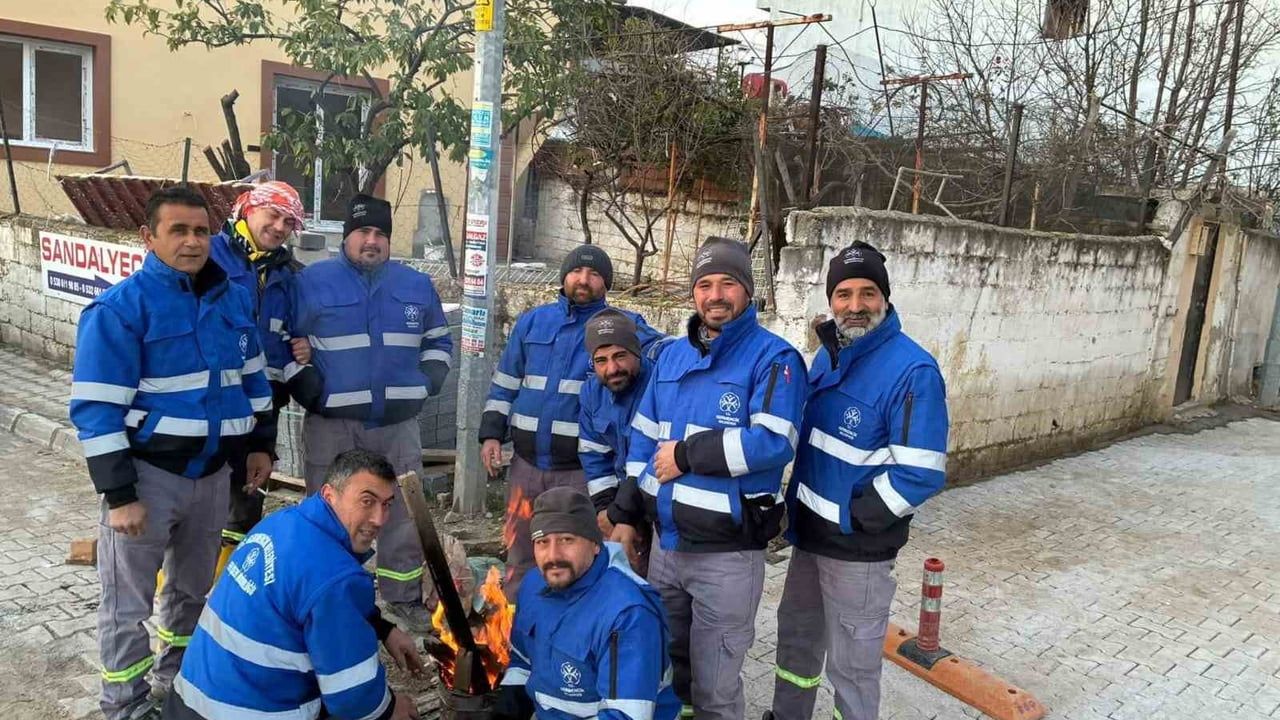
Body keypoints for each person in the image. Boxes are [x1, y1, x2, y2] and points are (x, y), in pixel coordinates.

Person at [69, 185, 277, 720]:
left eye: (200, 230)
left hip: (212, 480)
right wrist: (119, 496)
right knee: (126, 606)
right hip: (146, 481)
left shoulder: (233, 298)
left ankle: (177, 682)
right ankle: (125, 705)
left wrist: (259, 446)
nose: (192, 241)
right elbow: (95, 411)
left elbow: (252, 379)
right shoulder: (120, 310)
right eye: (178, 230)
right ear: (149, 237)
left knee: (191, 594)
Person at [607, 237, 808, 720]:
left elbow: (773, 442)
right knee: (669, 675)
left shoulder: (775, 360)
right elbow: (643, 439)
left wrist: (688, 454)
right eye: (704, 285)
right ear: (693, 294)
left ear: (747, 291)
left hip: (728, 556)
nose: (715, 295)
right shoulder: (672, 357)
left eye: (727, 284)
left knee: (717, 688)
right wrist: (630, 513)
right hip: (666, 550)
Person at [768, 241, 949, 720]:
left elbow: (921, 472)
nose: (854, 305)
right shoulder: (829, 355)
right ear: (831, 301)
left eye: (868, 293)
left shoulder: (912, 371)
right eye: (843, 293)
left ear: (885, 299)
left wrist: (856, 519)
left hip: (857, 552)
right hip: (808, 540)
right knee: (797, 644)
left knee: (853, 668)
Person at [290, 194, 453, 631]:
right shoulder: (313, 281)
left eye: (380, 233)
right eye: (362, 232)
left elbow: (439, 342)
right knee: (330, 511)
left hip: (397, 426)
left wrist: (426, 384)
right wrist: (308, 387)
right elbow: (284, 340)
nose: (371, 241)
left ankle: (402, 595)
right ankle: (333, 595)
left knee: (403, 510)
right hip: (333, 426)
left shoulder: (416, 284)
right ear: (346, 238)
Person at [165, 449, 424, 720]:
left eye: (387, 504)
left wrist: (384, 629)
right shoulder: (334, 575)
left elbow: (312, 598)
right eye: (367, 501)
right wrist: (391, 708)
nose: (379, 519)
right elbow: (353, 699)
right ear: (329, 495)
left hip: (188, 701)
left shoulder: (282, 523)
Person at [479, 244, 661, 599]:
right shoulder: (533, 322)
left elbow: (661, 354)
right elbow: (505, 382)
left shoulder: (617, 327)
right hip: (526, 466)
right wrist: (490, 434)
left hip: (580, 472)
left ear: (605, 284)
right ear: (563, 276)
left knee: (576, 555)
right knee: (522, 550)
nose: (584, 280)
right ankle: (519, 624)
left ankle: (573, 624)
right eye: (577, 271)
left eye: (594, 275)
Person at [495, 487, 680, 720]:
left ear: (595, 544)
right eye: (542, 542)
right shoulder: (533, 585)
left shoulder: (628, 613)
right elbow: (522, 662)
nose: (553, 556)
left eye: (566, 540)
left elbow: (624, 715)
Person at [208, 181, 309, 556]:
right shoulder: (208, 255)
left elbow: (292, 337)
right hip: (206, 412)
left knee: (244, 512)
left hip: (259, 416)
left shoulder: (288, 275)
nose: (280, 227)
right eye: (274, 215)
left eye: (289, 222)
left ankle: (225, 599)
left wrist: (304, 344)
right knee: (193, 513)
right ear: (248, 208)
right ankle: (176, 606)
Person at [577, 308, 663, 572]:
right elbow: (595, 455)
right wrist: (605, 511)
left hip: (658, 506)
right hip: (620, 506)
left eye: (620, 356)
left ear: (636, 352)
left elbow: (654, 458)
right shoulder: (592, 392)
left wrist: (625, 515)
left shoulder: (660, 384)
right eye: (601, 360)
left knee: (659, 589)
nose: (612, 368)